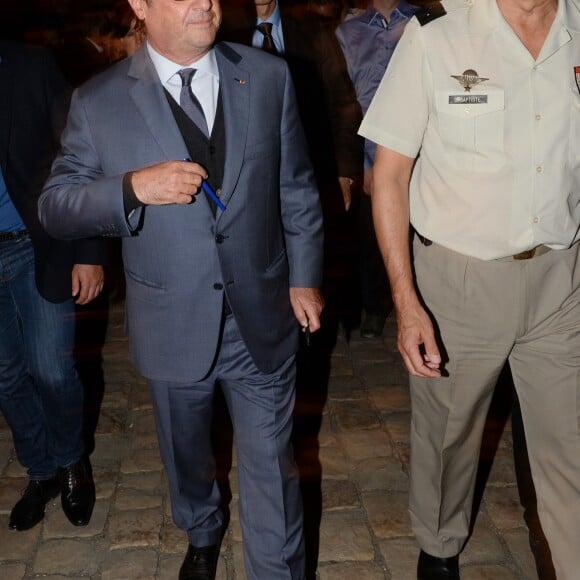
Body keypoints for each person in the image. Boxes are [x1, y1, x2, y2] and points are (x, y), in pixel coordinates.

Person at [38, 0, 324, 578]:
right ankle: (201, 525)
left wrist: (304, 277)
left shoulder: (267, 75)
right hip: (170, 323)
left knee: (273, 468)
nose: (206, 3)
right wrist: (131, 188)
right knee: (188, 458)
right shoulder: (98, 101)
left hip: (261, 316)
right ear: (139, 4)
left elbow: (296, 188)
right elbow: (55, 207)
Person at [358, 0, 580, 578]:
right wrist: (406, 303)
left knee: (571, 452)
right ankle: (438, 548)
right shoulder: (437, 35)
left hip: (561, 278)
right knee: (448, 439)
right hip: (458, 283)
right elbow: (388, 174)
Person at [0, 41, 105, 531]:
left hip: (35, 243)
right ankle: (41, 472)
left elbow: (79, 157)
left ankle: (70, 462)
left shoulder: (31, 64)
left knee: (52, 371)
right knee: (5, 376)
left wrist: (88, 252)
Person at [336, 0, 417, 338]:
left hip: (422, 149)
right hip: (370, 148)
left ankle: (419, 306)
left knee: (422, 236)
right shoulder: (348, 31)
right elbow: (346, 100)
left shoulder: (423, 21)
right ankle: (374, 306)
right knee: (371, 236)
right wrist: (364, 162)